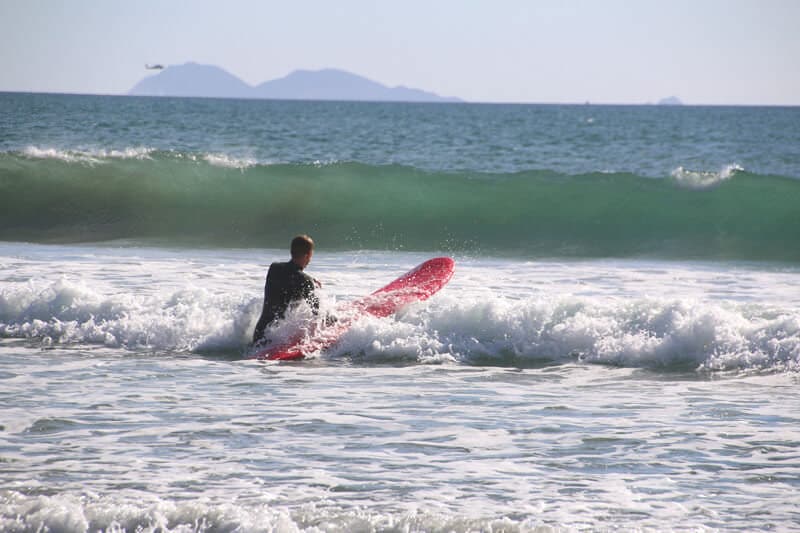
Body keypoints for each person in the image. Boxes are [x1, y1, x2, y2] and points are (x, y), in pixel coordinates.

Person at [252, 235, 321, 345]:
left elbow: (289, 275)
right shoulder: (304, 280)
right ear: (308, 255)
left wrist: (309, 279)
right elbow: (317, 312)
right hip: (276, 339)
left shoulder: (274, 268)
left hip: (259, 334)